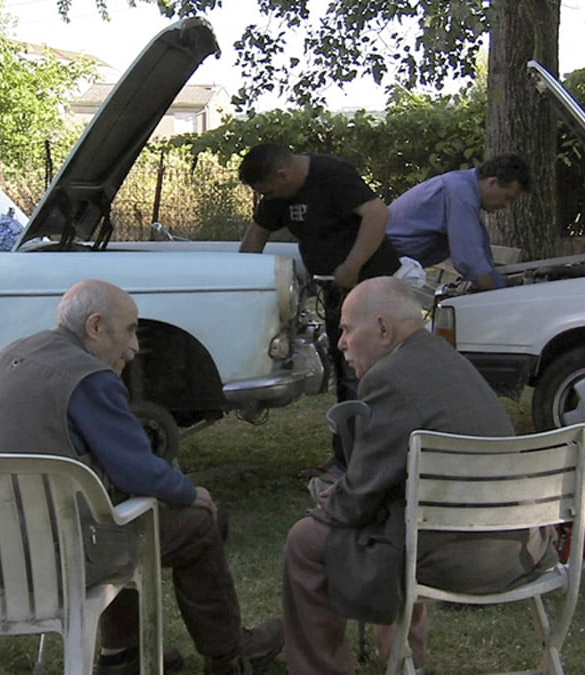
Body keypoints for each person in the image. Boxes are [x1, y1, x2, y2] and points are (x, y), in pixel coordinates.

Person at [0, 279, 283, 675]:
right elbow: (137, 471)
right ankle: (231, 653)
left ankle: (123, 654)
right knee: (200, 522)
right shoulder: (89, 377)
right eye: (131, 330)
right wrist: (188, 492)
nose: (135, 347)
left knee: (112, 514)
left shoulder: (14, 354)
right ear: (96, 327)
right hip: (58, 553)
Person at [280, 277, 560, 675]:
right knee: (396, 520)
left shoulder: (389, 378)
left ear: (382, 329)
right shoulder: (447, 358)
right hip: (523, 547)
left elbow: (357, 499)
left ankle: (321, 668)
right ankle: (406, 658)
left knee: (306, 541)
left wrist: (327, 501)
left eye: (346, 329)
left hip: (463, 558)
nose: (341, 342)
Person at [237, 142, 402, 470]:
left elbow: (377, 213)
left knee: (369, 373)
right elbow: (257, 233)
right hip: (336, 291)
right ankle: (347, 456)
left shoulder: (332, 175)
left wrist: (353, 264)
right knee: (345, 371)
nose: (266, 198)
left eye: (267, 190)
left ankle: (380, 458)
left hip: (371, 286)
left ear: (283, 176)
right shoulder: (280, 196)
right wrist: (239, 280)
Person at [386, 153, 531, 290]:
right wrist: (498, 296)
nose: (506, 205)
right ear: (492, 182)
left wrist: (500, 286)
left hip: (394, 265)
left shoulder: (464, 190)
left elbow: (481, 250)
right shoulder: (461, 193)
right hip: (382, 264)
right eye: (507, 197)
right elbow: (469, 261)